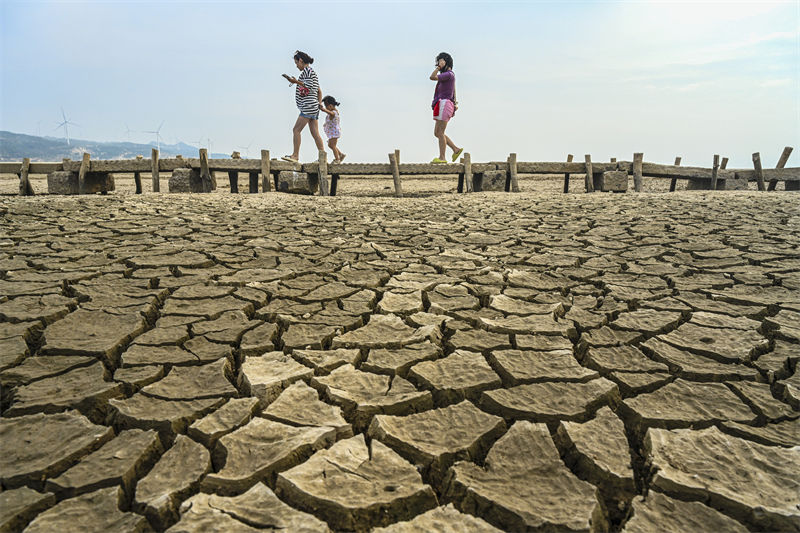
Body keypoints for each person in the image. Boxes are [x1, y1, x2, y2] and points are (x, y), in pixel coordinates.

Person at [282, 51, 324, 163]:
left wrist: (295, 81)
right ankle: (322, 158)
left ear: (301, 60)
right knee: (315, 133)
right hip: (313, 106)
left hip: (308, 106)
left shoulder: (308, 71)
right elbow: (319, 90)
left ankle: (295, 155)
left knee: (296, 130)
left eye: (296, 63)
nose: (296, 66)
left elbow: (309, 86)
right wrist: (319, 103)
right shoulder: (308, 73)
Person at [429, 52, 463, 164]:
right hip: (443, 104)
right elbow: (453, 90)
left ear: (446, 62)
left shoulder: (449, 74)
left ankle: (442, 158)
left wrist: (438, 68)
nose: (439, 63)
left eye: (441, 61)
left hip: (444, 104)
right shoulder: (449, 76)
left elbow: (432, 77)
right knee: (437, 132)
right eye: (438, 62)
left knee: (440, 132)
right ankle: (455, 149)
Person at [320, 95, 346, 163]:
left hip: (334, 133)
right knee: (330, 145)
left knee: (333, 146)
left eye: (326, 106)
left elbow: (332, 114)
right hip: (333, 132)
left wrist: (324, 110)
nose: (326, 108)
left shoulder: (333, 112)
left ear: (331, 106)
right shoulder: (334, 112)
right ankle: (340, 154)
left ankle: (337, 159)